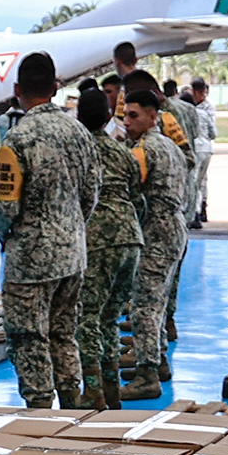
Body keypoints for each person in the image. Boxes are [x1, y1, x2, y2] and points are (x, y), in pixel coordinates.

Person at [0, 52, 98, 409]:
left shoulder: (17, 140)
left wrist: (4, 233)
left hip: (31, 258)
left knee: (27, 336)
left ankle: (38, 413)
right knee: (63, 332)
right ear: (55, 88)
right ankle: (71, 403)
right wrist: (71, 227)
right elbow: (91, 194)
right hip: (73, 252)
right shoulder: (80, 132)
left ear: (17, 89)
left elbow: (7, 207)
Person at [72, 85, 143, 410]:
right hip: (130, 238)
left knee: (88, 317)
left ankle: (93, 391)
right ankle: (112, 389)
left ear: (78, 116)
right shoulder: (122, 151)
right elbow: (136, 194)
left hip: (97, 240)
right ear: (106, 116)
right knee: (110, 316)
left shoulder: (80, 151)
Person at [118, 88, 187, 400]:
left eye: (134, 115)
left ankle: (146, 374)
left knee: (144, 303)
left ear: (152, 116)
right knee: (157, 301)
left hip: (156, 232)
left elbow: (134, 196)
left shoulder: (144, 150)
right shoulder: (171, 146)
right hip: (175, 228)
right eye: (125, 115)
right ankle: (157, 360)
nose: (127, 121)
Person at [189, 77, 217, 224]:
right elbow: (214, 132)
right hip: (206, 148)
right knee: (200, 181)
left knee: (195, 181)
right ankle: (200, 209)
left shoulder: (197, 110)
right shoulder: (205, 111)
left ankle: (197, 212)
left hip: (197, 148)